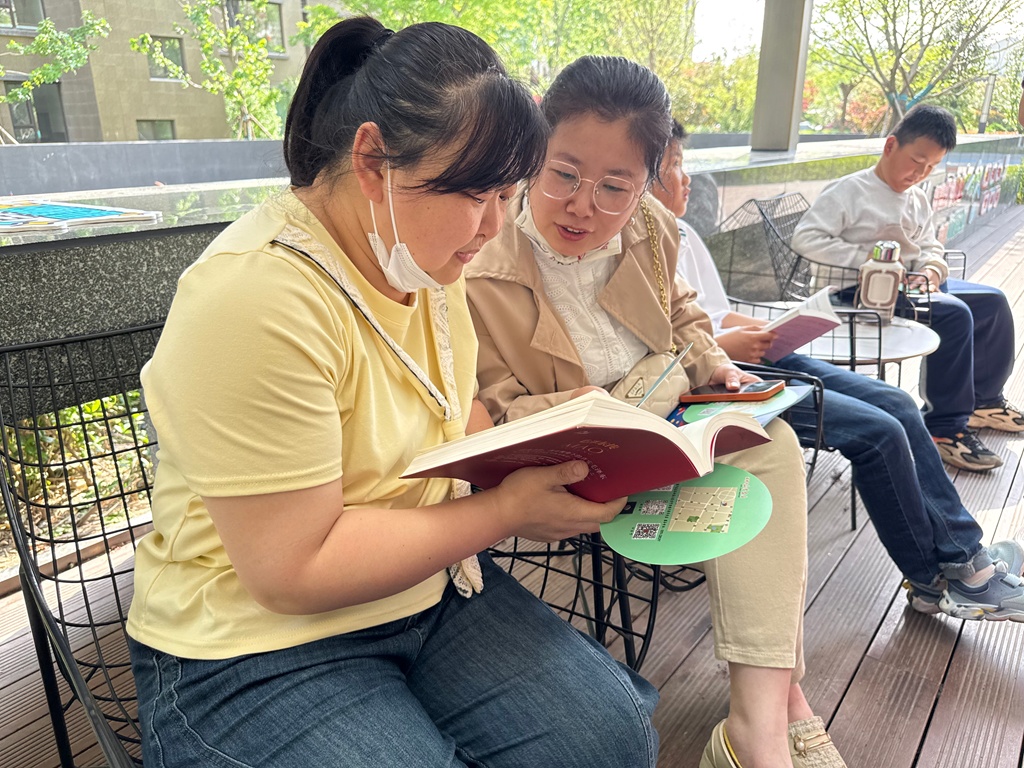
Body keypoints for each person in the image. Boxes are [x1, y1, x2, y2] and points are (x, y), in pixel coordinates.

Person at [125, 19, 660, 768]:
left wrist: (558, 463)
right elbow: (292, 569)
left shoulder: (423, 260)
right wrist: (507, 511)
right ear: (373, 159)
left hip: (428, 588)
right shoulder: (257, 295)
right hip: (251, 641)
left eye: (508, 194)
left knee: (609, 738)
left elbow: (454, 414)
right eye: (474, 193)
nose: (492, 226)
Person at [466, 56, 846, 768]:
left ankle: (760, 721)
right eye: (563, 174)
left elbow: (682, 314)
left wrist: (714, 364)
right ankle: (782, 710)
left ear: (650, 179)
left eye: (616, 186)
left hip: (663, 426)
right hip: (575, 462)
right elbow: (490, 409)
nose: (583, 206)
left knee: (770, 442)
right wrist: (627, 402)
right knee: (761, 459)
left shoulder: (649, 226)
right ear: (534, 150)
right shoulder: (480, 250)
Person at [652, 118, 1024, 626]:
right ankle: (943, 576)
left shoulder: (683, 233)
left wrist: (766, 327)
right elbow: (674, 344)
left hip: (755, 355)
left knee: (897, 403)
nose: (688, 178)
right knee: (880, 431)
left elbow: (712, 314)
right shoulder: (642, 245)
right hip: (724, 378)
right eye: (675, 165)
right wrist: (727, 346)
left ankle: (964, 560)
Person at [791, 104, 1022, 473]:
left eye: (931, 167)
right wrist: (874, 263)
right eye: (917, 161)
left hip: (910, 286)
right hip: (856, 294)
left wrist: (932, 269)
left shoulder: (916, 197)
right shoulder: (850, 191)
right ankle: (944, 429)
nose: (921, 173)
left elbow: (929, 245)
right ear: (890, 146)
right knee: (954, 315)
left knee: (991, 302)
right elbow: (806, 238)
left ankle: (984, 401)